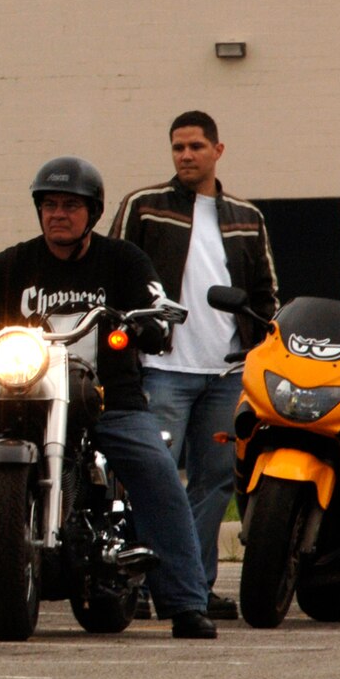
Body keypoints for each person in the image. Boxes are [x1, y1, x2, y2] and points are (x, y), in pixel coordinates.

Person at [0, 156, 217, 639]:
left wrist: (149, 322)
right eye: (48, 205)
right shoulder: (14, 263)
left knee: (155, 470)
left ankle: (186, 601)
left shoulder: (123, 260)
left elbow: (153, 302)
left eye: (70, 205)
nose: (57, 214)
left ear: (92, 211)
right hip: (24, 393)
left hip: (109, 396)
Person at [111, 110, 278, 621]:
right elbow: (114, 275)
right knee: (151, 476)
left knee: (216, 482)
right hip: (162, 369)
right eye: (178, 148)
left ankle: (193, 587)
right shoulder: (145, 205)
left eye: (195, 147)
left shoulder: (247, 216)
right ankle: (138, 584)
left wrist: (262, 347)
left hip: (226, 374)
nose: (186, 156)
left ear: (217, 151)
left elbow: (267, 294)